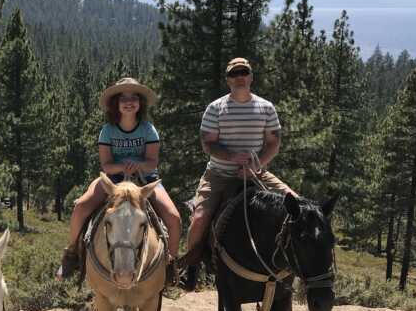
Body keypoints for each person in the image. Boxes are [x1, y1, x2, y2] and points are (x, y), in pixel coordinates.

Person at [58, 77, 181, 279]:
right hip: (113, 180)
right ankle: (71, 253)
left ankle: (170, 263)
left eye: (134, 97)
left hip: (145, 180)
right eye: (123, 98)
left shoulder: (148, 129)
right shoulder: (107, 131)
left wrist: (138, 165)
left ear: (140, 103)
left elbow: (152, 162)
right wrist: (123, 166)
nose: (129, 102)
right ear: (116, 103)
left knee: (173, 217)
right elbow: (106, 165)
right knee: (81, 206)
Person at [182, 57, 295, 262]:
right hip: (219, 174)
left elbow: (273, 144)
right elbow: (208, 144)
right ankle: (190, 266)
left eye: (244, 72)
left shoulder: (266, 108)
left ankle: (292, 265)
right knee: (199, 219)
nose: (240, 77)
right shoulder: (215, 108)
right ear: (228, 80)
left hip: (257, 172)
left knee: (297, 205)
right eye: (234, 74)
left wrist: (255, 165)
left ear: (251, 77)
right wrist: (232, 157)